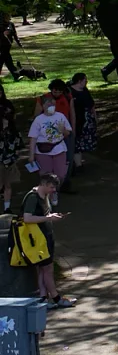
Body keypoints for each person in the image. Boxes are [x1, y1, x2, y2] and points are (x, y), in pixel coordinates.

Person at [18, 171, 71, 307]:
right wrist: (48, 218)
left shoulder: (44, 196)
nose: (53, 191)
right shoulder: (33, 197)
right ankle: (56, 298)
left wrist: (52, 215)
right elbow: (27, 218)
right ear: (45, 184)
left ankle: (43, 298)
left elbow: (44, 214)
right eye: (52, 187)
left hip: (45, 237)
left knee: (42, 269)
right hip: (37, 239)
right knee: (47, 269)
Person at [27, 91, 73, 192]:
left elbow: (68, 133)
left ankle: (54, 190)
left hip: (59, 148)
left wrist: (63, 130)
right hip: (43, 150)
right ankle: (48, 195)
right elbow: (33, 138)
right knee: (46, 175)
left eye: (53, 104)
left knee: (60, 174)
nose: (51, 106)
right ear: (43, 106)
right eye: (48, 104)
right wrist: (31, 155)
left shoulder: (60, 116)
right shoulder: (38, 120)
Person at [68, 73, 97, 174]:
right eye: (85, 80)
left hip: (86, 120)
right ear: (79, 81)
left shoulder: (85, 90)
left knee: (80, 142)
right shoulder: (69, 91)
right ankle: (76, 164)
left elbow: (91, 104)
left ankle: (78, 164)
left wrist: (94, 117)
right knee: (75, 142)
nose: (86, 82)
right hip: (76, 119)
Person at [0, 89, 23, 213]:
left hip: (9, 160)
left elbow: (19, 143)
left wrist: (16, 154)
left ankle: (7, 208)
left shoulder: (12, 130)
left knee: (8, 185)